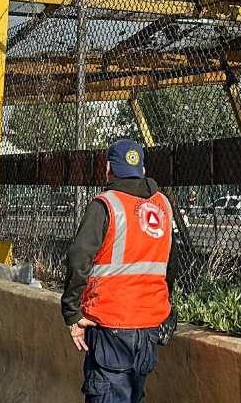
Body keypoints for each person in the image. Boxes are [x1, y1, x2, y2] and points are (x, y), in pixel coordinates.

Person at [62, 140, 175, 403]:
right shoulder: (163, 206)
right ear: (143, 169)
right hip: (149, 328)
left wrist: (72, 312)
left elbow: (78, 259)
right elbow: (172, 265)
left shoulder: (105, 205)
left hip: (110, 325)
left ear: (108, 168)